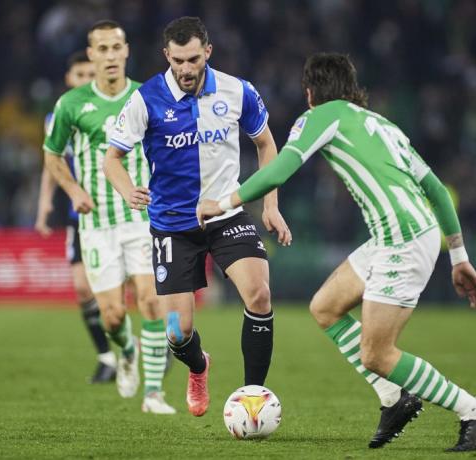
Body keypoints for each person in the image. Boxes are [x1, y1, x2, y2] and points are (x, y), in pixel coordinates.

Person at [197, 53, 476, 452]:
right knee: (325, 307)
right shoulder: (382, 124)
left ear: (310, 93)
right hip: (403, 234)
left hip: (402, 240)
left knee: (377, 354)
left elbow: (280, 170)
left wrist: (224, 203)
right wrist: (459, 257)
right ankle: (394, 399)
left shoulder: (318, 117)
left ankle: (475, 412)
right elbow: (438, 191)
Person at [104, 16, 291, 417]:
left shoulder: (238, 91)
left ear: (207, 51)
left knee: (258, 294)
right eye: (178, 61)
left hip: (226, 214)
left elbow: (266, 145)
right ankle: (199, 367)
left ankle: (253, 397)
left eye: (193, 59)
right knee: (178, 331)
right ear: (166, 56)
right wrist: (125, 188)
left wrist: (271, 205)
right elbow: (112, 158)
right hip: (172, 223)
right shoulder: (145, 99)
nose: (186, 69)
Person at [43, 20, 175, 415]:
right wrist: (73, 190)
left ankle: (154, 394)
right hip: (96, 224)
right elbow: (52, 154)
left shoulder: (148, 96)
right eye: (102, 49)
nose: (110, 56)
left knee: (151, 301)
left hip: (142, 218)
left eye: (116, 47)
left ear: (127, 50)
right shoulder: (71, 105)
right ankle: (128, 351)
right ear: (92, 54)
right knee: (113, 315)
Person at [35, 51, 118, 385]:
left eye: (90, 73)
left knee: (135, 292)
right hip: (80, 212)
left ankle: (156, 344)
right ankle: (107, 357)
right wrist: (44, 204)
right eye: (79, 75)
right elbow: (51, 161)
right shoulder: (59, 115)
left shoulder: (116, 109)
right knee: (82, 288)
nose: (85, 79)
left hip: (119, 209)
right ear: (69, 79)